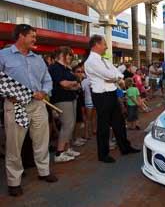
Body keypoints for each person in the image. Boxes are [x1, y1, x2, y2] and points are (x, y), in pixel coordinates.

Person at [0, 24, 58, 197]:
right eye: (32, 36)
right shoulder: (3, 55)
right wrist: (7, 94)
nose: (35, 39)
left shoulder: (38, 58)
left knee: (41, 141)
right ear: (21, 36)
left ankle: (44, 171)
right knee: (14, 145)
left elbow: (47, 80)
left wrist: (44, 91)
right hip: (15, 106)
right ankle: (14, 182)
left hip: (38, 105)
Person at [84, 35, 140, 163]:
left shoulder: (104, 60)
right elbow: (109, 74)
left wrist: (115, 78)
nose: (106, 46)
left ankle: (125, 147)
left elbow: (116, 73)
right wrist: (115, 78)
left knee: (119, 122)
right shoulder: (91, 61)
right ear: (96, 45)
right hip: (101, 96)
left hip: (111, 93)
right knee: (103, 125)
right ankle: (103, 155)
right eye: (104, 44)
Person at [48, 46, 82, 163]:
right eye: (69, 55)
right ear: (62, 55)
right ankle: (59, 152)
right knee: (67, 124)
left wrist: (73, 84)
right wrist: (74, 83)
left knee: (70, 124)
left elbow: (76, 85)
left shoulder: (66, 68)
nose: (71, 57)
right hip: (61, 99)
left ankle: (66, 149)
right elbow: (64, 83)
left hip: (70, 98)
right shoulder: (55, 67)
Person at [81, 69, 96, 140]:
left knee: (90, 117)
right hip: (92, 100)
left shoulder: (85, 81)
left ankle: (89, 132)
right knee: (91, 117)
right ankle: (90, 132)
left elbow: (83, 92)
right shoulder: (93, 80)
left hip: (89, 100)